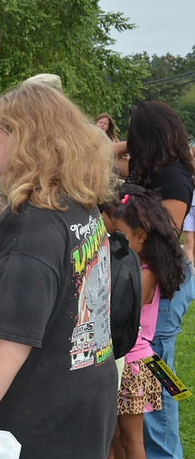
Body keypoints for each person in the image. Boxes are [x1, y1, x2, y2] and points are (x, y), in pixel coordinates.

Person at [0, 83, 117, 458]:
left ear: (25, 142)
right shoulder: (77, 203)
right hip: (83, 397)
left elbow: (15, 334)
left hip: (36, 414)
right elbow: (60, 287)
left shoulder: (33, 222)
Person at [115, 100, 195, 459]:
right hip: (148, 282)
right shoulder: (153, 169)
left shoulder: (175, 175)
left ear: (147, 137)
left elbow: (165, 232)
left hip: (163, 287)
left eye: (135, 135)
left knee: (157, 383)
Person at [107, 189, 185, 459]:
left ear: (140, 237)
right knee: (113, 437)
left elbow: (116, 303)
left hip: (133, 366)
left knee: (133, 441)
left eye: (119, 235)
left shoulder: (145, 274)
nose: (113, 241)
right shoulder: (136, 267)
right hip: (123, 361)